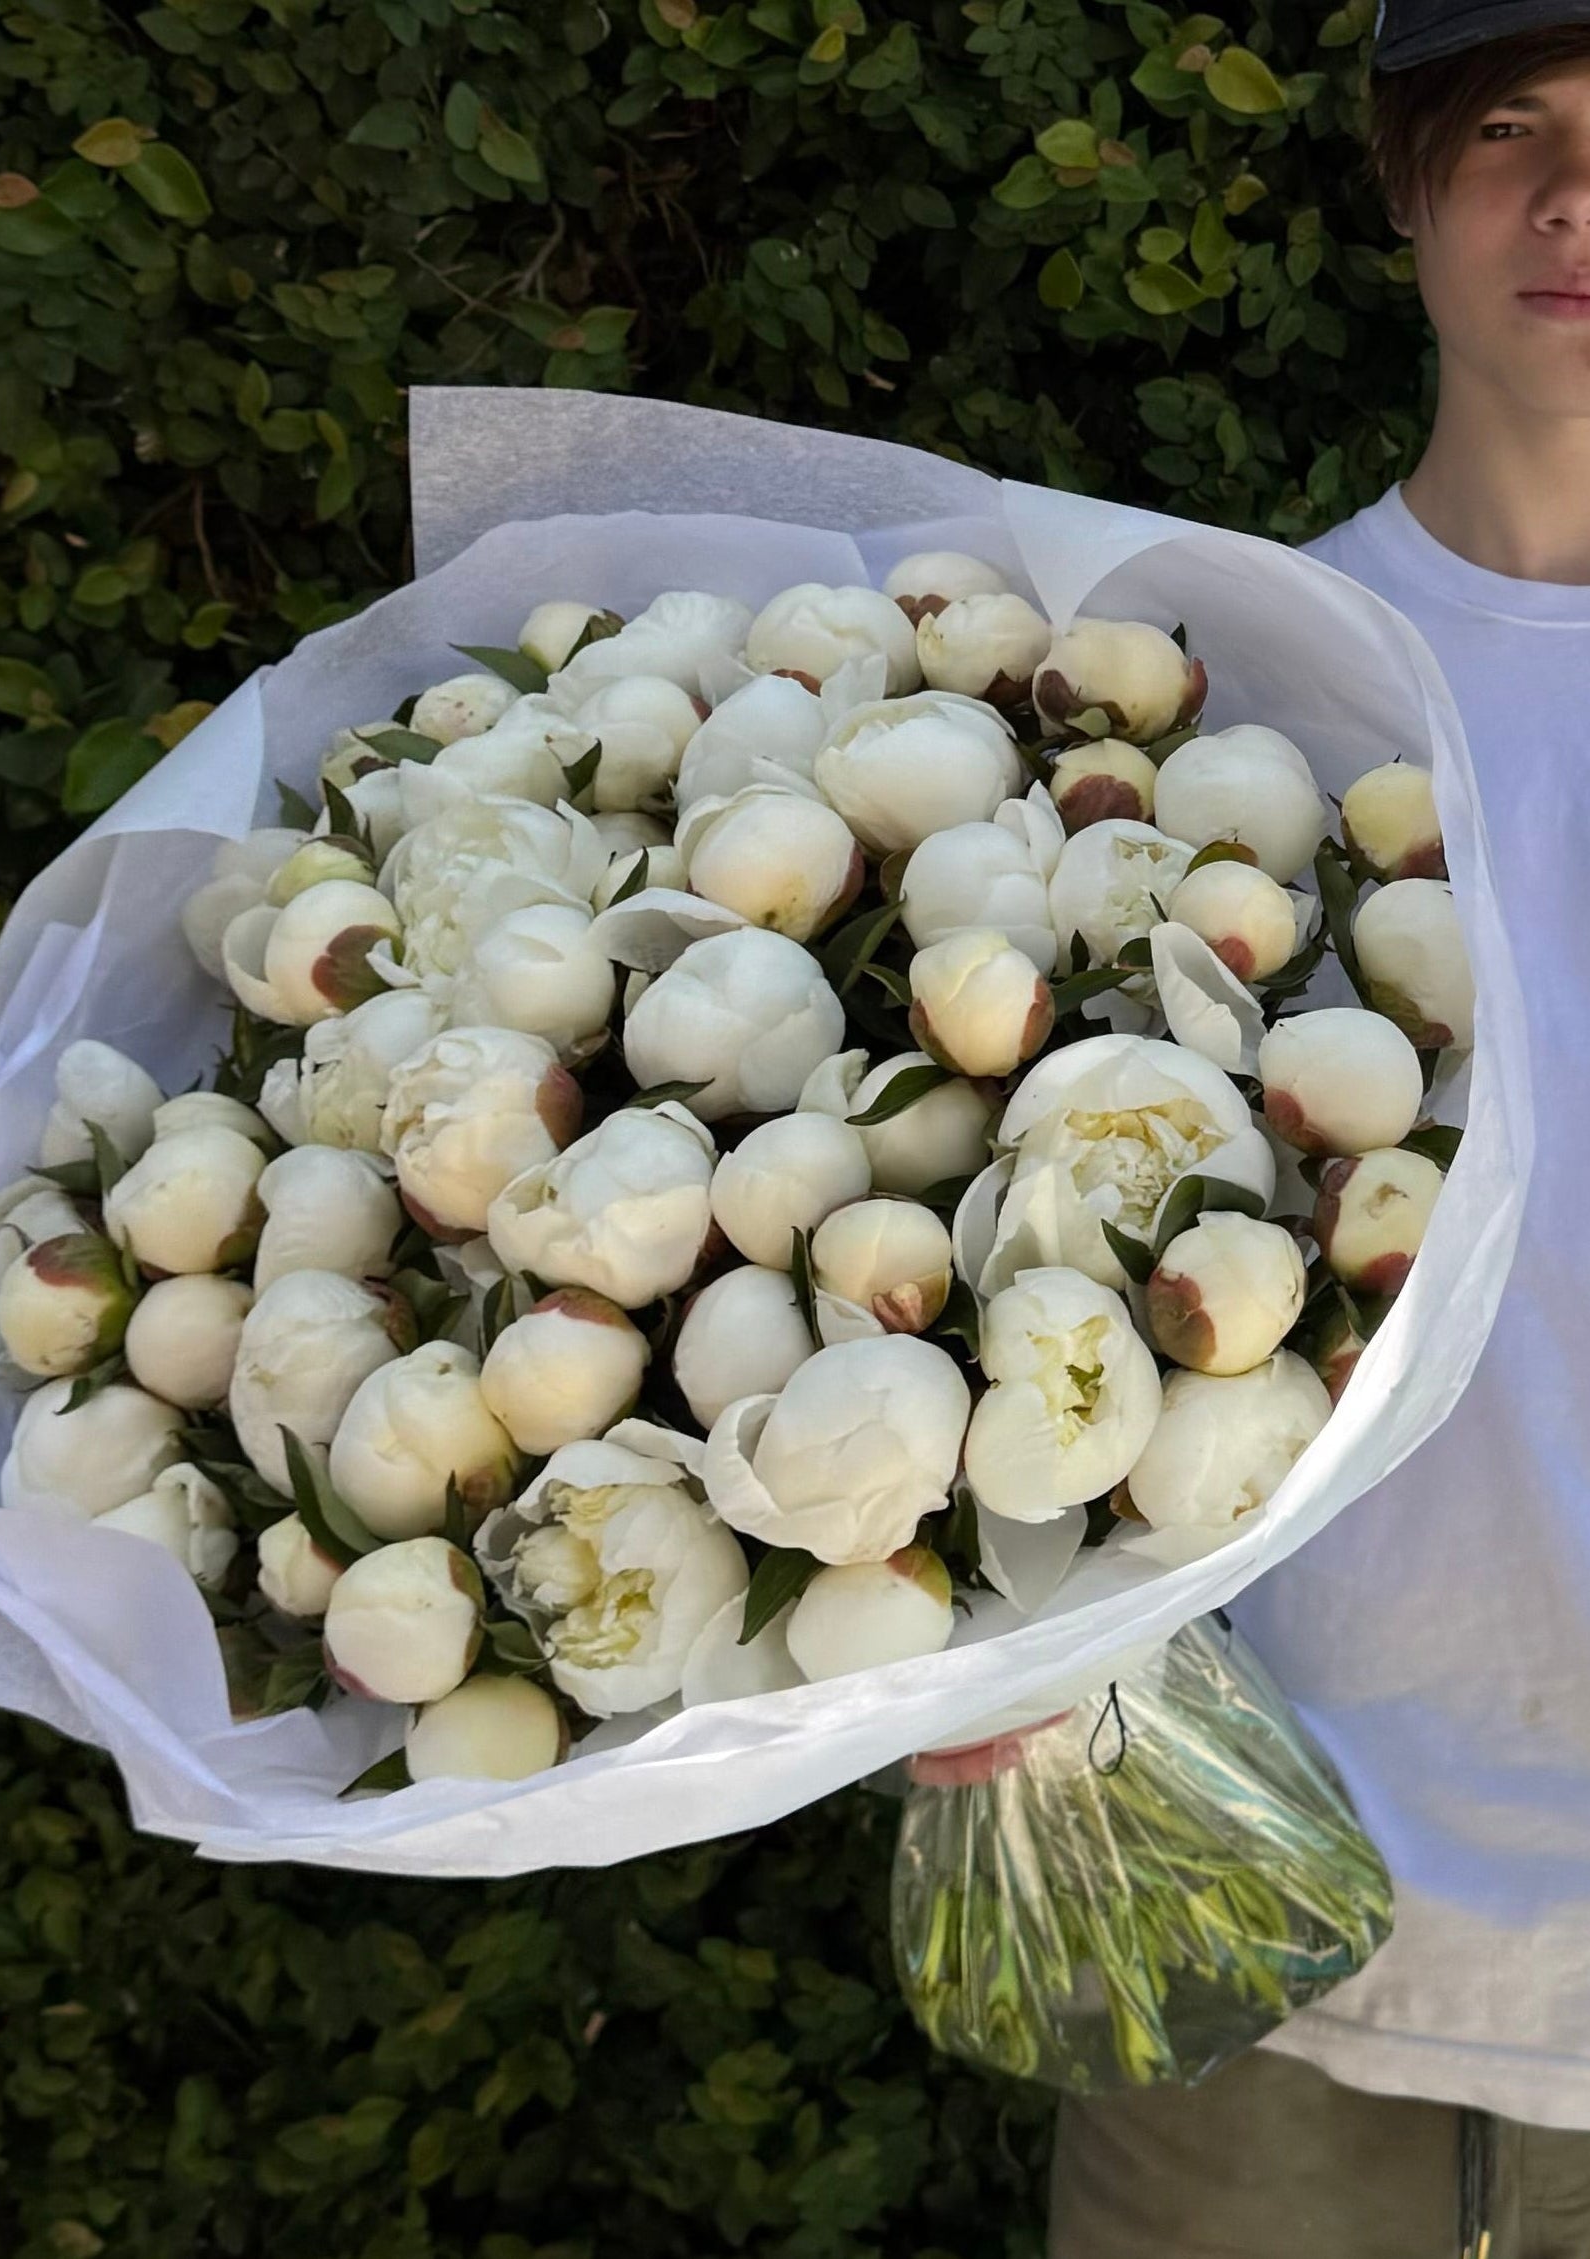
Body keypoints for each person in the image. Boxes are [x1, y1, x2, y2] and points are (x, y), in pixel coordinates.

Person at [1047, 2, 1590, 2253]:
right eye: (1505, 132)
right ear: (1398, 180)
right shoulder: (1218, 694)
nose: (1568, 202)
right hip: (1244, 1906)